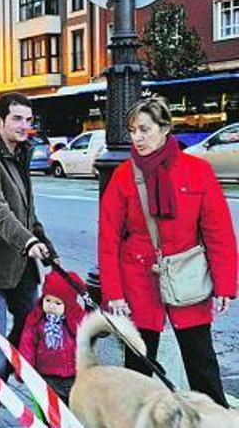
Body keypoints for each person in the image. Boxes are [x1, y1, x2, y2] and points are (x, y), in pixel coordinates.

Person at [99, 96, 237, 408]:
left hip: (186, 274)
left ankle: (215, 417)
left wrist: (225, 284)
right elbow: (108, 239)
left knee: (201, 361)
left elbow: (218, 232)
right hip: (137, 278)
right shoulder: (123, 175)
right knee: (139, 367)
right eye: (133, 130)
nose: (137, 138)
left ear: (164, 129)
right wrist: (114, 293)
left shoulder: (197, 170)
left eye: (144, 130)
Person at [0, 93, 58, 428]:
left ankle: (8, 372)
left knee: (31, 323)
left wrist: (44, 243)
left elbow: (25, 211)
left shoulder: (20, 154)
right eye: (16, 119)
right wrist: (27, 241)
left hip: (20, 263)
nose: (23, 126)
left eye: (28, 120)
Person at [19, 270, 87, 405]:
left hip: (73, 376)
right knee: (51, 409)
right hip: (47, 376)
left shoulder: (76, 318)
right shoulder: (36, 321)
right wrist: (26, 371)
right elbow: (27, 346)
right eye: (48, 300)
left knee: (73, 410)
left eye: (58, 303)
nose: (51, 306)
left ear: (68, 304)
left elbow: (88, 338)